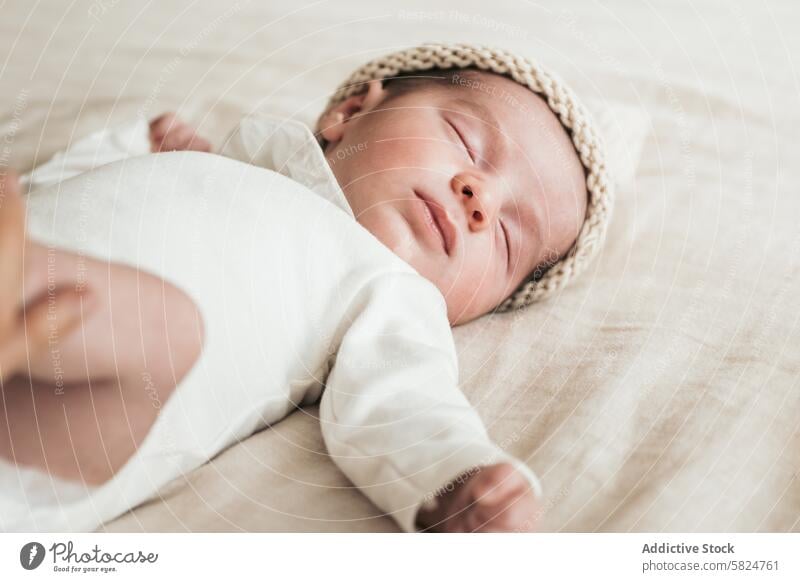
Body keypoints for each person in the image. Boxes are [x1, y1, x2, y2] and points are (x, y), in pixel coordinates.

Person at [0, 43, 611, 532]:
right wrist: (136, 150)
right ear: (349, 114)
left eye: (506, 236)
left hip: (64, 428)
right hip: (37, 265)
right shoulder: (225, 165)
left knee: (157, 324)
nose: (481, 199)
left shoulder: (389, 291)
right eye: (466, 141)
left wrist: (455, 479)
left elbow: (403, 402)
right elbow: (56, 199)